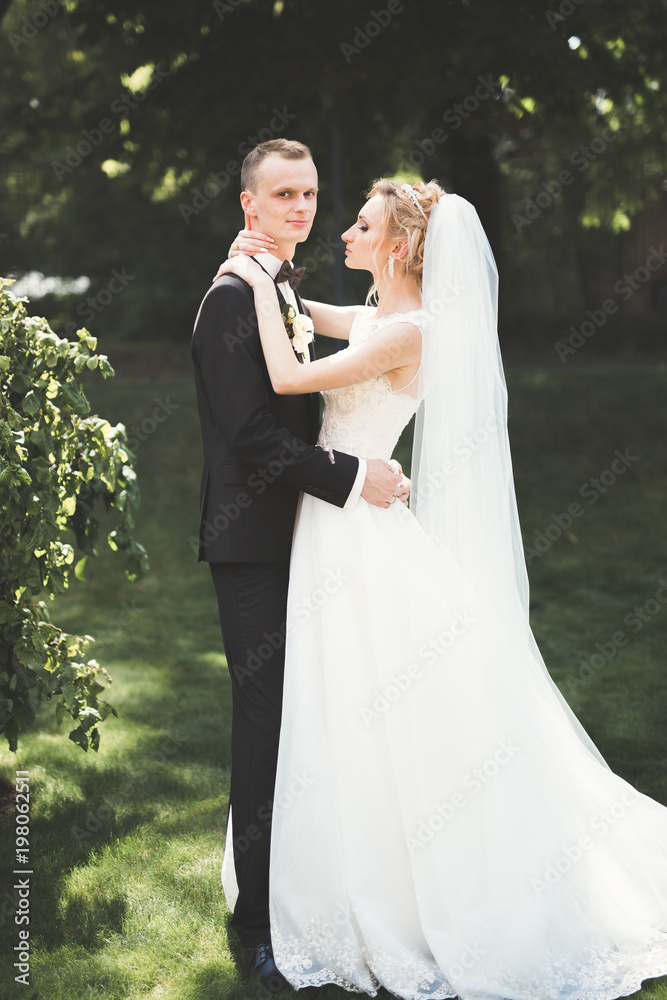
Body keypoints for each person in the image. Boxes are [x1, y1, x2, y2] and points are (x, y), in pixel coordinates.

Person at [214, 178, 667, 999]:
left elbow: (285, 377)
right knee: (337, 701)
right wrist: (272, 274)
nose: (342, 231)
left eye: (360, 224)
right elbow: (307, 315)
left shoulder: (406, 332)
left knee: (363, 700)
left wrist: (248, 280)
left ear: (394, 249)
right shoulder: (379, 317)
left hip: (353, 531)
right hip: (338, 519)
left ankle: (394, 888)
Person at [190, 139, 406, 992]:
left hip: (313, 537)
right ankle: (255, 925)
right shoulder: (226, 300)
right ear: (249, 205)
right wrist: (353, 476)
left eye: (309, 194)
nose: (299, 207)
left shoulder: (278, 286)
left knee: (316, 717)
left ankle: (316, 888)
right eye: (282, 194)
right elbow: (250, 436)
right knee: (264, 725)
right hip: (253, 543)